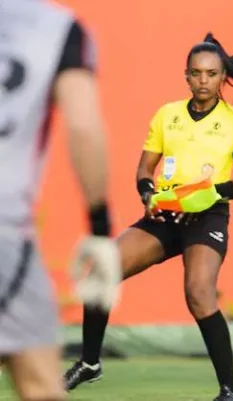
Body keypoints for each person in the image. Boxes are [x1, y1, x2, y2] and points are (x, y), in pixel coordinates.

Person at [63, 32, 233, 401]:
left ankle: (230, 391)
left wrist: (213, 193)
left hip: (207, 217)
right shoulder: (167, 115)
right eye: (196, 73)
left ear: (223, 77)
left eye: (211, 73)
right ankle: (90, 362)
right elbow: (145, 169)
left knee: (199, 293)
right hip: (166, 214)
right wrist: (147, 193)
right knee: (102, 272)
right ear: (186, 76)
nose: (203, 80)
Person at [0, 1, 121, 400]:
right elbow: (83, 126)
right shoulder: (58, 28)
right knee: (40, 385)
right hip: (5, 231)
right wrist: (100, 228)